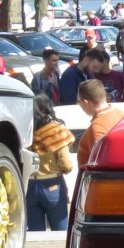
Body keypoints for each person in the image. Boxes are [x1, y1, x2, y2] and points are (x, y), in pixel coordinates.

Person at [26, 94, 76, 231]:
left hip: (29, 185)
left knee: (35, 233)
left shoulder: (25, 131)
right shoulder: (55, 131)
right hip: (52, 184)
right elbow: (66, 164)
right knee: (60, 231)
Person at [76, 79, 124, 168]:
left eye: (78, 101)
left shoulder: (97, 127)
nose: (78, 104)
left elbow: (100, 164)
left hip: (105, 180)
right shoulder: (120, 113)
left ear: (85, 102)